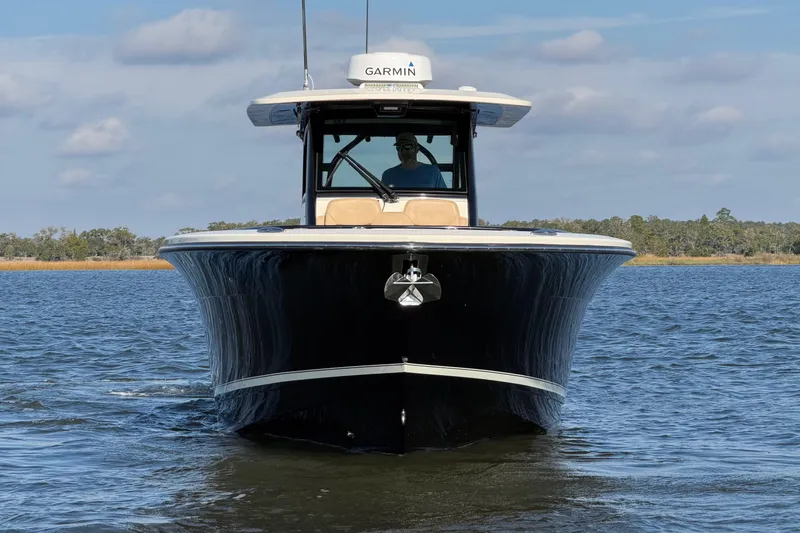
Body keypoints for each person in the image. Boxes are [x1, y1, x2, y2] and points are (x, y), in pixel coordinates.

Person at [381, 132, 446, 189]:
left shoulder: (433, 172)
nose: (403, 151)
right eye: (399, 147)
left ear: (417, 149)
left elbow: (444, 198)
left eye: (407, 146)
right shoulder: (388, 175)